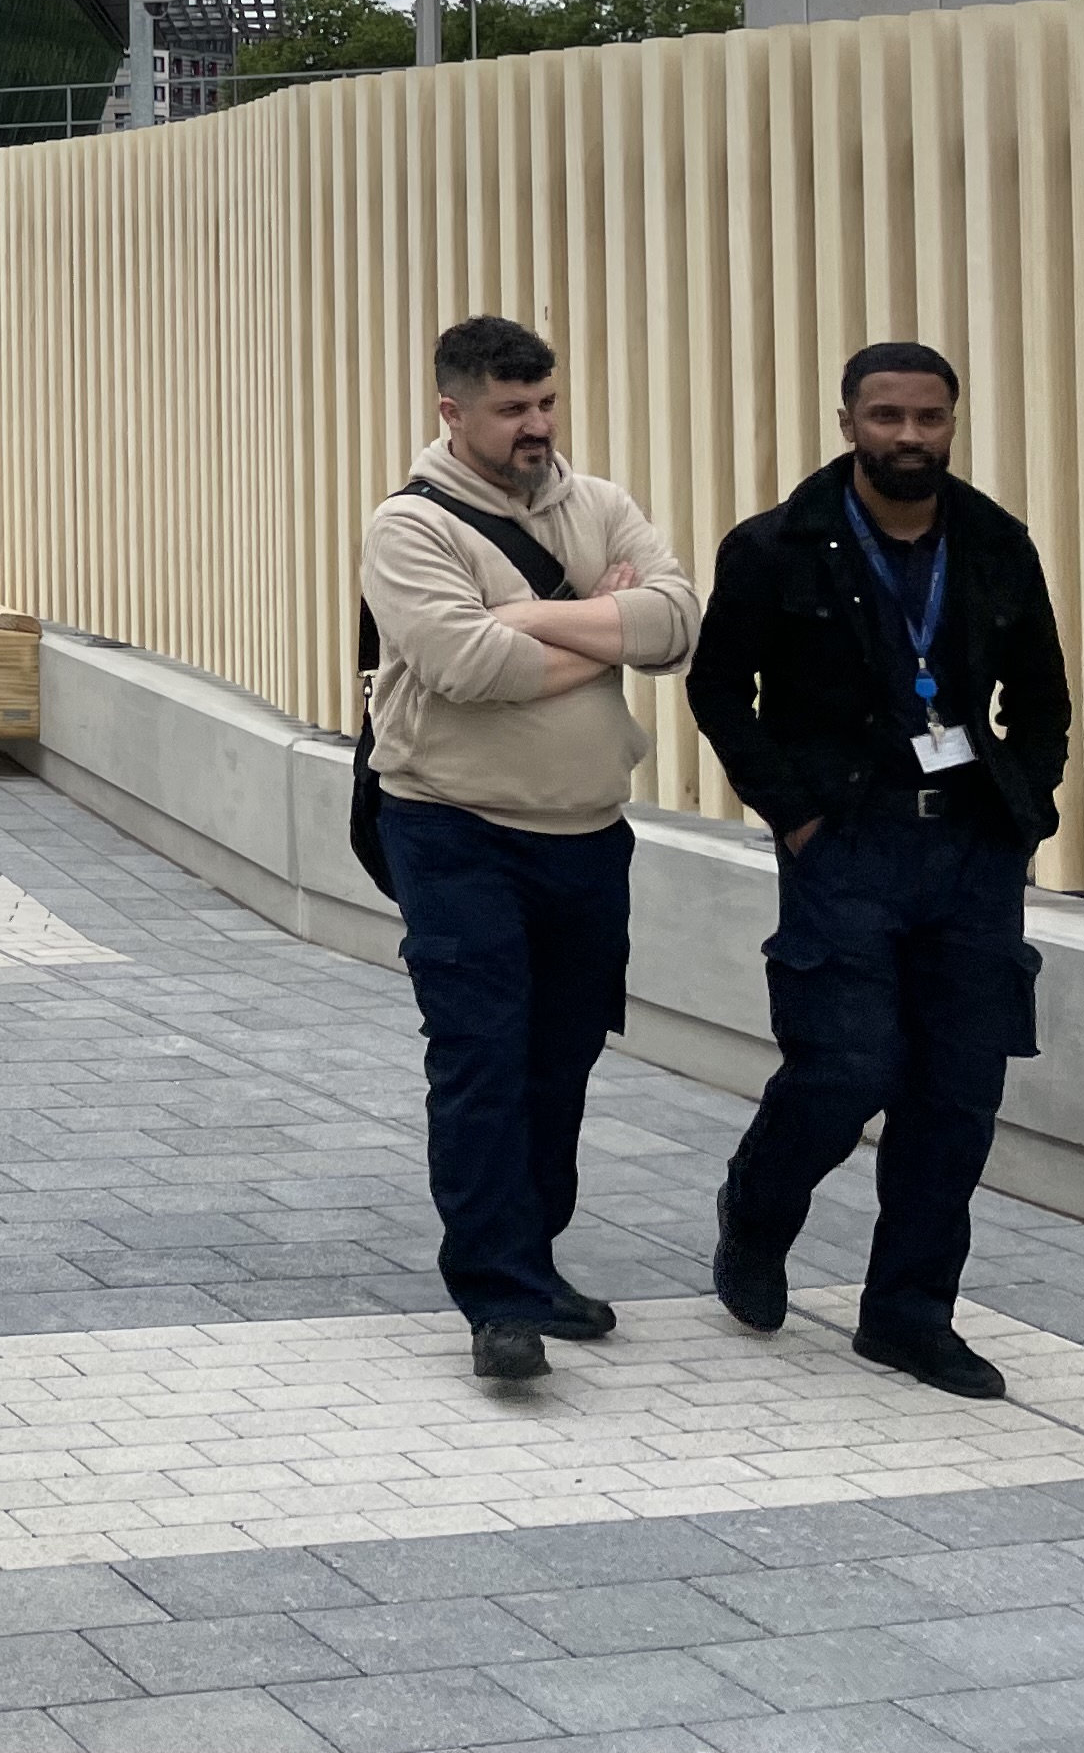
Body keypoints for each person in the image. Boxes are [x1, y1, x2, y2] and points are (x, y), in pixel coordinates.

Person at [692, 341, 1071, 1401]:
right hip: (845, 841)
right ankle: (757, 1214)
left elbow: (1042, 701)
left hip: (968, 850)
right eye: (888, 417)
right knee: (847, 1066)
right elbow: (721, 692)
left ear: (954, 421)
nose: (910, 437)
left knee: (957, 1093)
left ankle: (907, 1316)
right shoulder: (778, 547)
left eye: (930, 419)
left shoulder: (997, 544)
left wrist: (1024, 816)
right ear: (849, 418)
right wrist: (798, 818)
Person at [360, 313, 701, 1385]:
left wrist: (532, 626)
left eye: (546, 403)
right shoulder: (408, 528)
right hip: (453, 829)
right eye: (512, 409)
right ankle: (497, 1296)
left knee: (562, 1060)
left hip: (588, 834)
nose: (536, 426)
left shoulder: (599, 504)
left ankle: (535, 1259)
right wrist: (596, 634)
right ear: (452, 413)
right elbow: (464, 667)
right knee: (482, 1060)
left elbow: (678, 623)